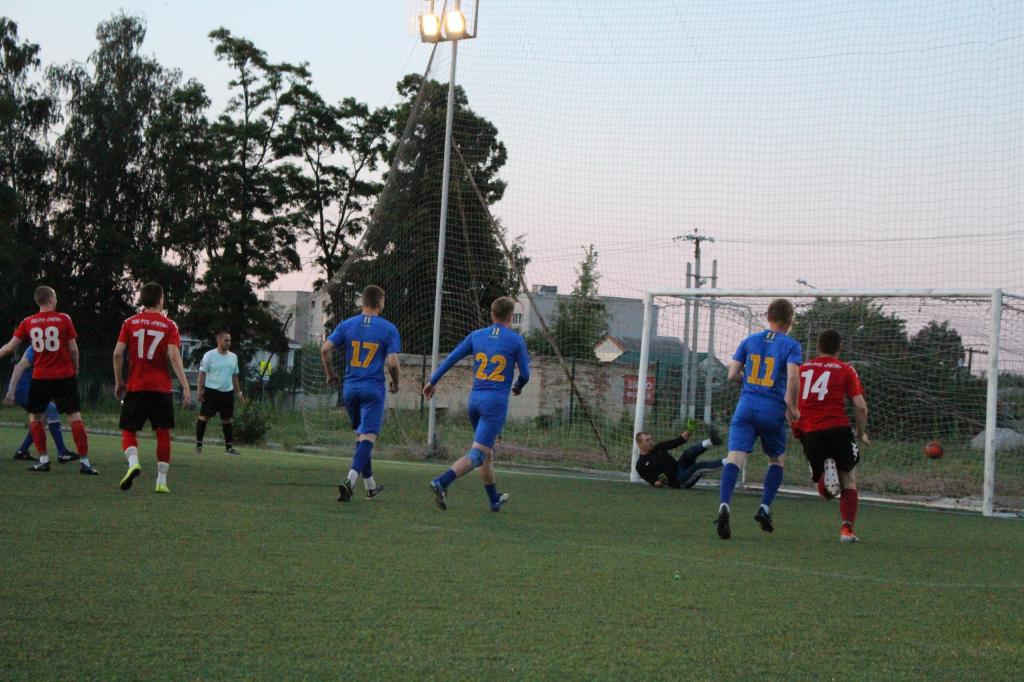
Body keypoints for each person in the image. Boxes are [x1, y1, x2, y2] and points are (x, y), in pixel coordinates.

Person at [424, 297, 530, 512]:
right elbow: (525, 374)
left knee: (486, 453)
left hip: (475, 401)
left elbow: (450, 359)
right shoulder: (516, 340)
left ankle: (494, 500)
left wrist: (432, 382)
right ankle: (442, 481)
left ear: (491, 314)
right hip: (495, 404)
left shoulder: (476, 336)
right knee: (479, 454)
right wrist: (518, 386)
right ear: (511, 317)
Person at [716, 298, 802, 539]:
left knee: (735, 458)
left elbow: (732, 374)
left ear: (768, 316)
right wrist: (792, 406)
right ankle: (764, 507)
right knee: (776, 460)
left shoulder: (749, 340)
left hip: (745, 407)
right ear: (790, 320)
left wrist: (750, 382)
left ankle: (724, 504)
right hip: (771, 410)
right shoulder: (792, 345)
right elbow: (793, 377)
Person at [0, 286, 98, 474]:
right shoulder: (64, 318)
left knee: (35, 417)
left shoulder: (28, 322)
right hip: (64, 375)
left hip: (40, 377)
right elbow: (73, 349)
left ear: (38, 301)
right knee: (74, 416)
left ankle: (44, 460)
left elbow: (9, 347)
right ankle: (85, 463)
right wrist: (76, 368)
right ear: (51, 299)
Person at [320, 285, 401, 502]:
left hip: (350, 390)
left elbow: (325, 349)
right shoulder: (388, 329)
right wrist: (395, 381)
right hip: (373, 389)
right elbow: (393, 362)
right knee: (368, 437)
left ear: (363, 302)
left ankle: (370, 487)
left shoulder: (347, 324)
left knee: (361, 436)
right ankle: (349, 481)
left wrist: (330, 374)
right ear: (380, 302)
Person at [113, 283, 192, 494]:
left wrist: (119, 381)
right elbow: (174, 355)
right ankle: (161, 481)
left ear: (142, 299)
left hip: (136, 386)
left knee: (129, 430)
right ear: (161, 299)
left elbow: (118, 354)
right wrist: (185, 385)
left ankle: (133, 463)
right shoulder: (169, 325)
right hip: (160, 388)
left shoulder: (130, 323)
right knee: (163, 433)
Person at [793, 329, 869, 543]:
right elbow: (860, 406)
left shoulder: (801, 369)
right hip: (838, 429)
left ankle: (824, 476)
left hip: (810, 431)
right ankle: (847, 530)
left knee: (826, 493)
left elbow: (790, 402)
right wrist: (860, 432)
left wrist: (797, 428)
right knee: (849, 480)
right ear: (839, 348)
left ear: (818, 347)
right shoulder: (846, 369)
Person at [4, 347, 76, 462]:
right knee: (51, 410)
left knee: (41, 420)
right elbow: (19, 367)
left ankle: (22, 451)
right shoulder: (36, 347)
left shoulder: (47, 349)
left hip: (28, 390)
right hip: (23, 390)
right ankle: (62, 452)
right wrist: (11, 391)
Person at [195, 330, 245, 456]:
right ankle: (199, 445)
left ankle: (229, 448)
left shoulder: (233, 357)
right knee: (204, 417)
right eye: (226, 340)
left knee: (227, 420)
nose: (228, 343)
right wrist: (199, 390)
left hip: (227, 393)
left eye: (230, 341)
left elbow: (235, 376)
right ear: (219, 340)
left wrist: (239, 393)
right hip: (211, 391)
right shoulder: (209, 355)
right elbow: (202, 374)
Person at [634, 426, 724, 489]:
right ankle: (728, 462)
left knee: (687, 454)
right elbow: (654, 482)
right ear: (640, 444)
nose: (651, 442)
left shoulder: (658, 447)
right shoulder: (640, 465)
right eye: (647, 440)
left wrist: (684, 436)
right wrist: (660, 482)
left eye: (650, 439)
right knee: (699, 466)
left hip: (679, 467)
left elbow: (675, 442)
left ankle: (711, 441)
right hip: (679, 481)